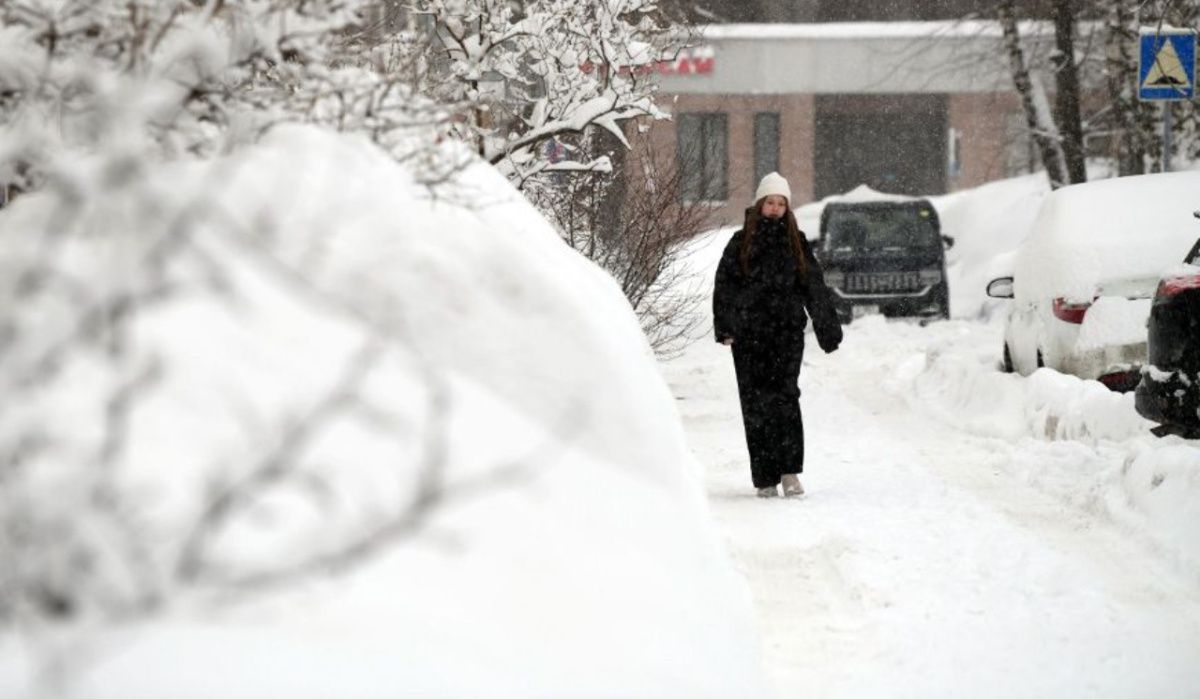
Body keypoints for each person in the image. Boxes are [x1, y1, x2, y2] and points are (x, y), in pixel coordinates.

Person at [712, 172, 843, 498]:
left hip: (786, 335)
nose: (774, 208)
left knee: (785, 399)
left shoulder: (795, 243)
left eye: (780, 203)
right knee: (755, 405)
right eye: (769, 202)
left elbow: (814, 287)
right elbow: (724, 288)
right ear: (759, 204)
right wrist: (727, 327)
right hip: (748, 338)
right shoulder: (740, 243)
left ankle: (789, 472)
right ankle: (765, 478)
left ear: (787, 207)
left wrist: (827, 328)